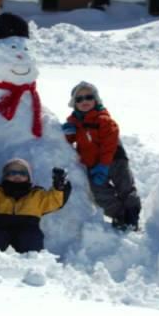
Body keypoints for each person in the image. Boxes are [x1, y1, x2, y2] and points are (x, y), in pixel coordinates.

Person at [61, 81, 141, 231]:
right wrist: (66, 133)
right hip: (92, 165)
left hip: (115, 160)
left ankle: (132, 217)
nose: (84, 101)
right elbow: (67, 142)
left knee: (125, 188)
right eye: (79, 99)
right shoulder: (74, 123)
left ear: (95, 99)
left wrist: (104, 165)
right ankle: (120, 215)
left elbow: (109, 145)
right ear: (74, 103)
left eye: (88, 97)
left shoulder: (104, 120)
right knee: (99, 193)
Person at [0, 158, 71, 253]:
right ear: (5, 177)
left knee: (31, 238)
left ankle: (32, 263)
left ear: (29, 177)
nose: (17, 175)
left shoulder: (37, 195)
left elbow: (55, 200)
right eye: (12, 172)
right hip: (1, 227)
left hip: (27, 228)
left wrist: (59, 186)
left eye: (22, 173)